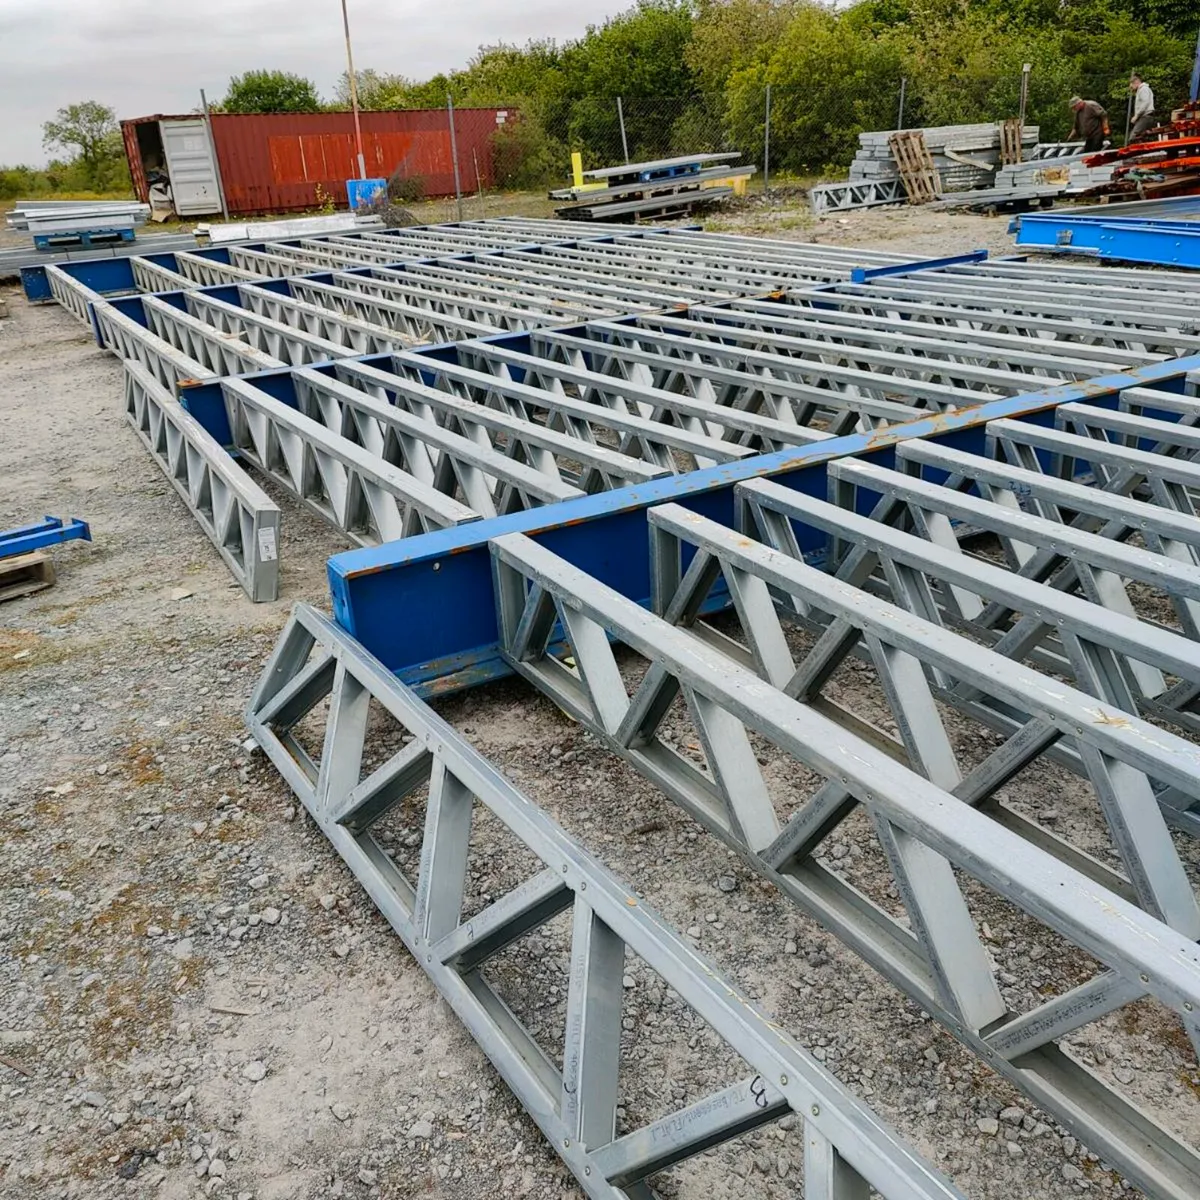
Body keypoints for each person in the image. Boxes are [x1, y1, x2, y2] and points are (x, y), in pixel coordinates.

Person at [1129, 73, 1157, 141]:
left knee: (1133, 137)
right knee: (1141, 137)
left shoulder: (1143, 89)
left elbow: (1145, 103)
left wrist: (1136, 116)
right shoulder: (1141, 90)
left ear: (1136, 82)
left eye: (1131, 83)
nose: (1130, 86)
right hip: (1145, 117)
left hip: (1146, 116)